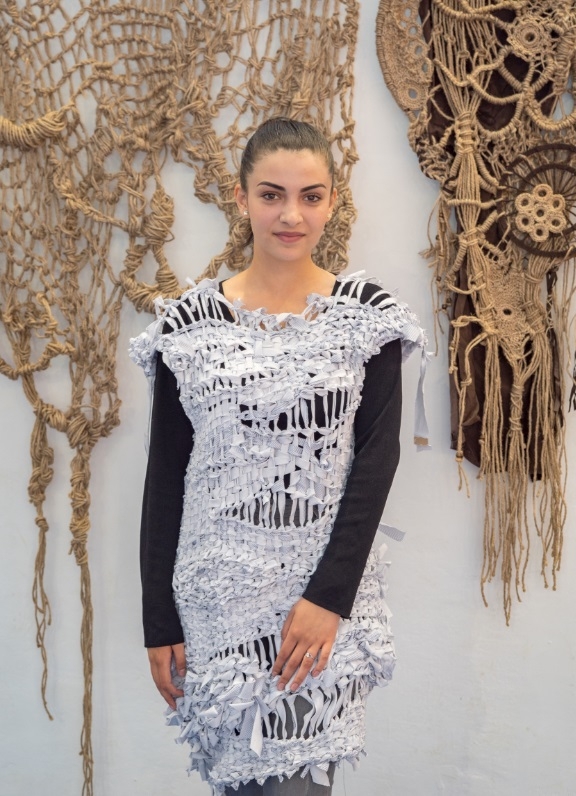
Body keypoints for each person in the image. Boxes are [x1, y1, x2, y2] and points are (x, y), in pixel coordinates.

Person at [130, 117, 427, 795]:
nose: (291, 215)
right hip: (216, 607)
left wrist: (329, 598)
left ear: (332, 202)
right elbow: (165, 477)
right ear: (241, 198)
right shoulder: (189, 327)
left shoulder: (366, 319)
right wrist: (158, 619)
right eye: (271, 195)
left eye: (310, 196)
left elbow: (374, 466)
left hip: (317, 611)